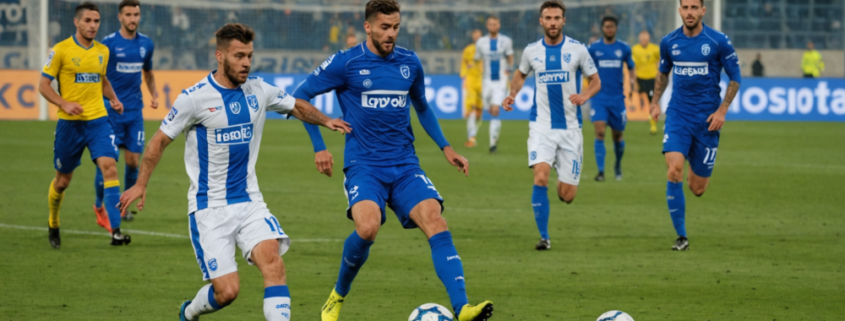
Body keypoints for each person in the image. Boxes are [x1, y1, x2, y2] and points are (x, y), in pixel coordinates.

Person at [118, 23, 351, 321]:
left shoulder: (258, 89)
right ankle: (189, 312)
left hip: (249, 200)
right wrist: (140, 184)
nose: (246, 63)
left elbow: (297, 107)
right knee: (228, 292)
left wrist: (326, 120)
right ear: (220, 56)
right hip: (209, 208)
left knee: (274, 264)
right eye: (239, 56)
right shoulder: (194, 98)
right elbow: (159, 141)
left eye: (249, 56)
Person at [297, 1, 493, 320]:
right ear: (368, 27)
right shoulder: (347, 63)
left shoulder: (410, 62)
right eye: (385, 27)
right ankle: (337, 296)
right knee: (368, 227)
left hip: (405, 165)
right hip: (364, 166)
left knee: (435, 219)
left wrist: (447, 148)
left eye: (396, 27)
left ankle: (462, 308)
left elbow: (423, 108)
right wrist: (319, 145)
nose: (391, 34)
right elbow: (300, 97)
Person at [503, 0, 601, 251]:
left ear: (563, 20)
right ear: (541, 21)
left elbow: (595, 81)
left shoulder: (578, 50)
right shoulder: (531, 51)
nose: (553, 22)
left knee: (567, 196)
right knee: (540, 177)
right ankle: (544, 237)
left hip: (570, 129)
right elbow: (520, 74)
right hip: (541, 126)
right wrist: (512, 94)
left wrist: (585, 96)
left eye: (557, 18)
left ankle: (562, 171)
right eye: (548, 18)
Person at [649, 0, 741, 251]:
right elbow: (663, 73)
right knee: (674, 170)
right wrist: (655, 102)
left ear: (703, 10)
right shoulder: (669, 42)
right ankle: (681, 236)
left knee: (697, 188)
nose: (689, 12)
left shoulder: (718, 41)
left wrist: (722, 110)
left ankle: (695, 159)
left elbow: (736, 77)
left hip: (707, 121)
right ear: (679, 10)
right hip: (678, 116)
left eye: (694, 7)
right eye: (685, 7)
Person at [39, 2, 129, 248]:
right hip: (70, 125)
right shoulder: (60, 50)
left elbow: (101, 79)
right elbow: (43, 86)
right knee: (62, 181)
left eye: (96, 21)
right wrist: (64, 103)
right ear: (76, 22)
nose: (93, 26)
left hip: (99, 121)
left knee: (109, 167)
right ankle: (53, 221)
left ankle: (116, 231)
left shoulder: (102, 51)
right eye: (88, 21)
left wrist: (113, 98)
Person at [92, 0, 158, 228]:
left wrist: (154, 94)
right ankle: (100, 205)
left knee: (133, 162)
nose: (133, 18)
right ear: (120, 17)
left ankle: (124, 206)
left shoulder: (146, 44)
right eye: (128, 14)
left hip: (134, 113)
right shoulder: (108, 44)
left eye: (136, 14)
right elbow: (98, 76)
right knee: (107, 163)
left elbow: (148, 72)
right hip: (110, 113)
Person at [588, 16, 635, 182]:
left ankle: (618, 165)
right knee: (599, 133)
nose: (609, 29)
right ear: (602, 28)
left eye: (612, 27)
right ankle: (601, 172)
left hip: (617, 99)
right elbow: (587, 69)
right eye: (607, 26)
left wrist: (632, 82)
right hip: (599, 98)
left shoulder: (623, 48)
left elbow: (631, 67)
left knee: (617, 136)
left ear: (616, 28)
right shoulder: (594, 48)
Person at [474, 16, 513, 154]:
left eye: (495, 24)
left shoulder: (506, 41)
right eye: (490, 24)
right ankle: (491, 136)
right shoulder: (481, 42)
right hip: (486, 82)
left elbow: (510, 57)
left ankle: (492, 145)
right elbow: (477, 59)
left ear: (499, 25)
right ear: (487, 25)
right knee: (489, 110)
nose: (492, 26)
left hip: (500, 81)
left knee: (495, 110)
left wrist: (509, 68)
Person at [631, 30, 660, 134]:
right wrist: (634, 81)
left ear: (649, 39)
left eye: (645, 39)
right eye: (642, 39)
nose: (643, 41)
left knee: (652, 100)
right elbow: (632, 66)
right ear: (639, 39)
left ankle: (653, 125)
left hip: (652, 79)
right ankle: (650, 117)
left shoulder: (655, 49)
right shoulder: (635, 49)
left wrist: (661, 73)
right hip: (640, 78)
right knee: (645, 101)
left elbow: (661, 60)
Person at [461, 29, 483, 147]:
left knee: (479, 112)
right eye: (475, 36)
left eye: (479, 36)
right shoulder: (468, 50)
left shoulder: (486, 49)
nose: (477, 38)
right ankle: (472, 138)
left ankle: (473, 135)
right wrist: (464, 78)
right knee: (471, 110)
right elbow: (464, 65)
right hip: (471, 81)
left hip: (483, 81)